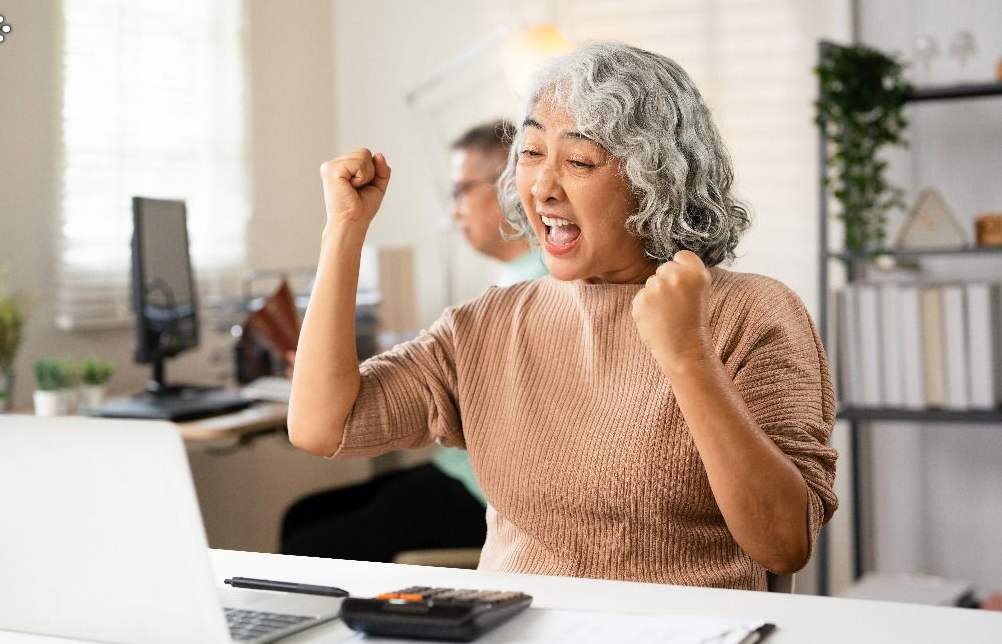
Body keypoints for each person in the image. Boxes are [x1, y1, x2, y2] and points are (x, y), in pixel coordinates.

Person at [288, 42, 838, 591]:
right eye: (531, 152)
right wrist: (343, 231)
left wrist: (688, 357)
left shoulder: (752, 312)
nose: (543, 187)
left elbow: (783, 544)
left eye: (579, 161)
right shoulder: (489, 322)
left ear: (656, 181)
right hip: (512, 622)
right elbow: (322, 426)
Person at [279, 120, 546, 562]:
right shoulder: (510, 282)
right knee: (302, 516)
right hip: (456, 473)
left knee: (308, 543)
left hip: (484, 494)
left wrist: (344, 226)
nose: (453, 212)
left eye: (460, 191)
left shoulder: (535, 290)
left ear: (508, 186)